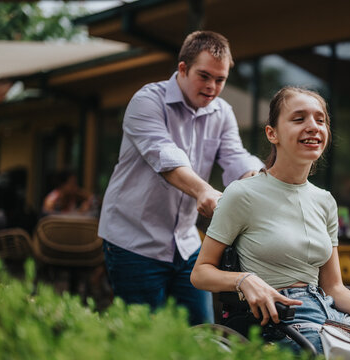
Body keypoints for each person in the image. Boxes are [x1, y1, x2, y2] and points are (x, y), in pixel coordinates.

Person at [191, 87, 350, 355]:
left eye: (320, 120)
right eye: (299, 119)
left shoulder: (325, 201)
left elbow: (334, 288)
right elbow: (200, 272)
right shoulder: (243, 193)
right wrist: (244, 280)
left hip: (326, 313)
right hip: (279, 320)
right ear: (272, 133)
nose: (313, 127)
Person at [98, 31, 263, 325]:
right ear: (183, 69)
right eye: (205, 76)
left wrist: (258, 180)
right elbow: (165, 158)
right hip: (134, 241)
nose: (213, 87)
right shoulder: (147, 101)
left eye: (221, 79)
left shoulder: (223, 112)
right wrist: (203, 191)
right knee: (146, 340)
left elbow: (236, 158)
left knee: (203, 333)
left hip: (186, 244)